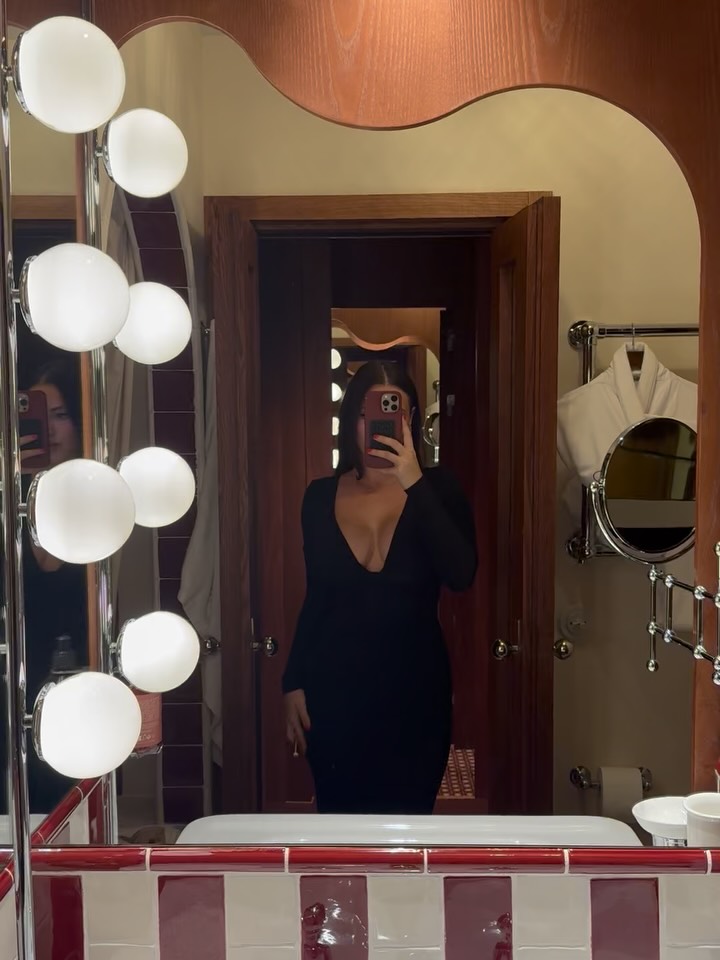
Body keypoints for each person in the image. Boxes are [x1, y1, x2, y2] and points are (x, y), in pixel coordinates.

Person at [283, 360, 477, 815]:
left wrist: (414, 482)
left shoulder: (439, 489)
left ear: (410, 422)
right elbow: (317, 598)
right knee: (341, 831)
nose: (378, 426)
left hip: (417, 696)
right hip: (333, 696)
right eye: (366, 414)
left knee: (410, 829)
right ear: (351, 420)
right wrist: (292, 682)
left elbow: (461, 574)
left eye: (395, 413)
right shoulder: (318, 497)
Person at [0, 357, 88, 814]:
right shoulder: (8, 512)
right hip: (13, 694)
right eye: (37, 416)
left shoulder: (100, 508)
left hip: (78, 699)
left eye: (61, 415)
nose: (49, 430)